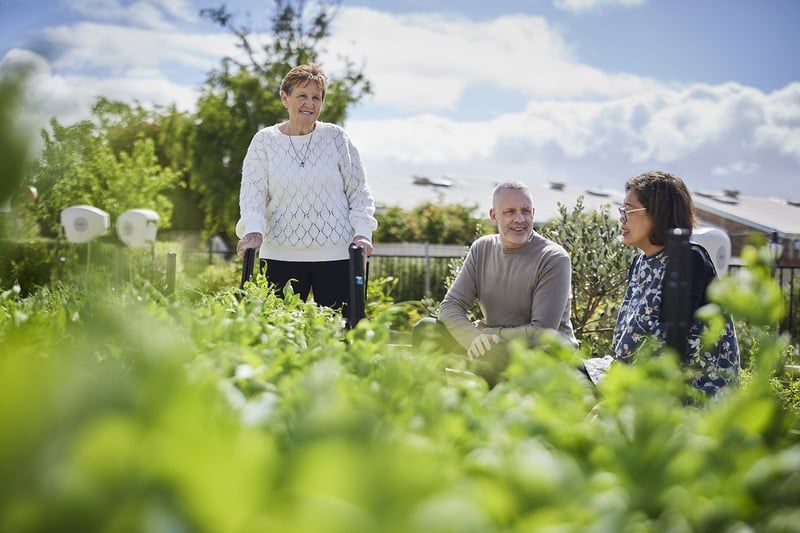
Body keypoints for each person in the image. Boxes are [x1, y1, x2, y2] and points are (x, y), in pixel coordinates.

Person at [235, 64, 377, 312]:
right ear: (284, 98)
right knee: (278, 335)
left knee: (342, 335)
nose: (309, 104)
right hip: (280, 255)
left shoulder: (335, 137)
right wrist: (253, 231)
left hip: (337, 256)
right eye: (302, 95)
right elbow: (252, 195)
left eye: (316, 98)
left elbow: (359, 191)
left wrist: (363, 232)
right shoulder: (265, 142)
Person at [413, 181, 578, 384]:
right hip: (495, 348)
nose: (519, 219)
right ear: (493, 216)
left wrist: (487, 333)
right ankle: (434, 405)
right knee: (426, 330)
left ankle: (496, 408)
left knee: (497, 355)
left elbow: (541, 333)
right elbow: (449, 306)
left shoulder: (553, 258)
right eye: (510, 212)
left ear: (533, 213)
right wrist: (473, 337)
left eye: (525, 211)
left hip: (545, 356)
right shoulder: (482, 249)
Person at [612, 171, 740, 395]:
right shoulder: (641, 261)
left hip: (691, 395)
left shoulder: (688, 259)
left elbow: (670, 353)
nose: (622, 218)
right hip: (640, 382)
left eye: (629, 210)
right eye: (622, 210)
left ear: (658, 213)